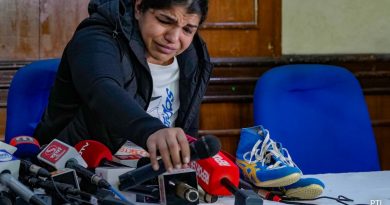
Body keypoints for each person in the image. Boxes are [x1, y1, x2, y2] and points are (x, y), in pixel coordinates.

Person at [33, 0, 212, 172]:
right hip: (76, 173)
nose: (173, 38)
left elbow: (187, 129)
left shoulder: (192, 57)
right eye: (164, 20)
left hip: (152, 177)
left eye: (188, 30)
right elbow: (102, 89)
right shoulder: (95, 38)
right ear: (139, 6)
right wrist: (152, 130)